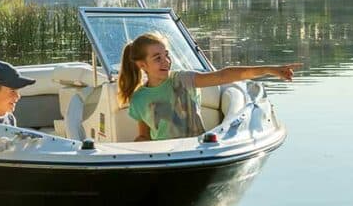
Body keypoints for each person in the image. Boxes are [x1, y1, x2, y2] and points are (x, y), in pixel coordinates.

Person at [117, 31, 300, 141]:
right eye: (157, 58)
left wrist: (269, 70)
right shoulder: (138, 99)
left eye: (166, 55)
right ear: (142, 65)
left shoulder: (182, 80)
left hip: (196, 151)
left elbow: (224, 75)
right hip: (165, 157)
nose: (166, 61)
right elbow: (145, 136)